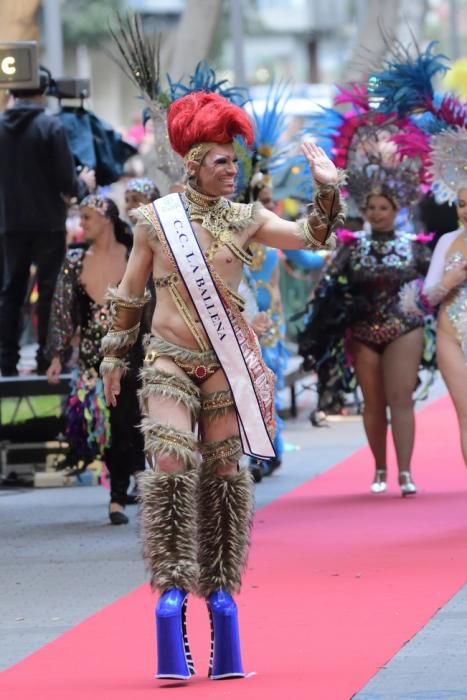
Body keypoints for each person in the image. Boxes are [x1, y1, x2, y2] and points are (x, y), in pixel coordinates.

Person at [99, 91, 343, 680]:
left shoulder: (247, 219)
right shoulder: (157, 220)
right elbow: (131, 293)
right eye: (222, 162)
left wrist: (328, 188)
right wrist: (113, 355)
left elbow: (312, 236)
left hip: (225, 368)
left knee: (229, 473)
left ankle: (222, 594)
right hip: (169, 360)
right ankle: (171, 593)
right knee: (170, 461)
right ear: (193, 164)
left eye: (236, 162)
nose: (233, 171)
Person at [46, 195, 145, 524]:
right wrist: (57, 356)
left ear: (105, 218)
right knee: (105, 425)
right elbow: (61, 312)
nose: (82, 223)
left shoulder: (134, 255)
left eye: (86, 217)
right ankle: (118, 495)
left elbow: (155, 301)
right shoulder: (74, 260)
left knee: (131, 420)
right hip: (93, 358)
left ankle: (134, 482)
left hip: (133, 354)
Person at [0, 68, 95, 375]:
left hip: (9, 223)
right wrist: (86, 185)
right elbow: (67, 183)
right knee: (51, 288)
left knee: (10, 290)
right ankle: (47, 358)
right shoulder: (50, 126)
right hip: (48, 223)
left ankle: (6, 361)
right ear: (42, 92)